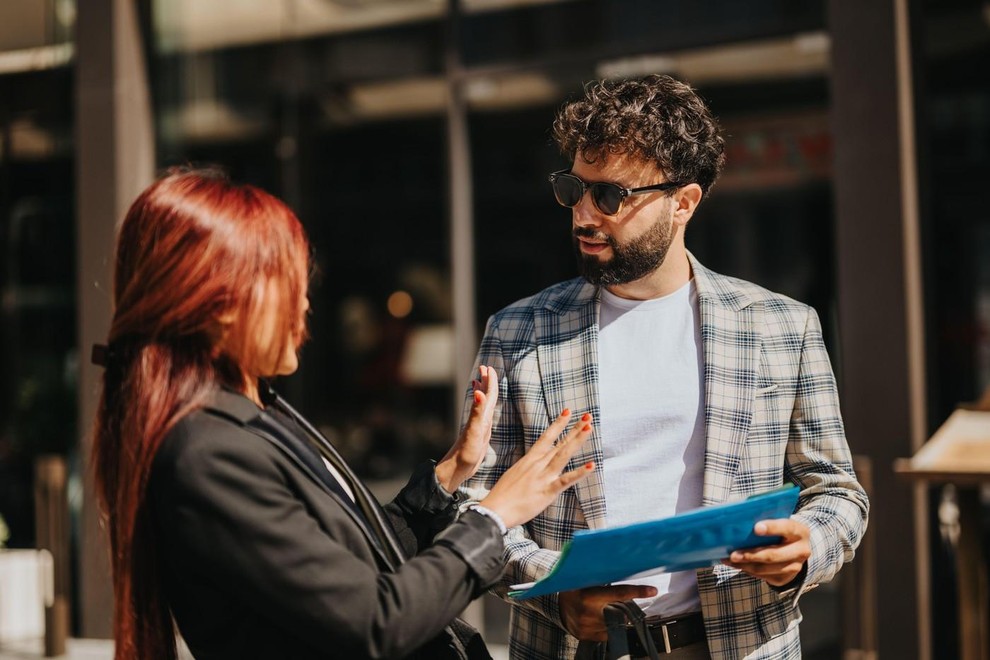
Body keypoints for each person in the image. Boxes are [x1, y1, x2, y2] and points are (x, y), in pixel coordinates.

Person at [90, 167, 598, 660]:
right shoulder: (207, 452)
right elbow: (376, 623)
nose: (305, 305)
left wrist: (448, 475)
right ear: (224, 303)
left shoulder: (245, 417)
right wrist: (495, 516)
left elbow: (362, 560)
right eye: (289, 283)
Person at [459, 74, 870, 659]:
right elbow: (472, 505)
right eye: (573, 188)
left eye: (610, 196)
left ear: (683, 203)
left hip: (740, 644)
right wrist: (555, 589)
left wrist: (807, 546)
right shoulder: (519, 330)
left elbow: (837, 493)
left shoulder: (781, 327)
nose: (583, 214)